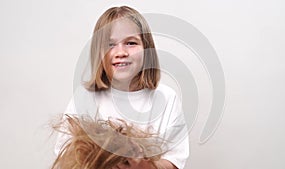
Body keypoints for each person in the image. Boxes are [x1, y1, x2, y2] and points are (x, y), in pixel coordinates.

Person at [55, 5, 189, 169]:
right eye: (110, 44)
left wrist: (143, 165)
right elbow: (65, 156)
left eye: (131, 43)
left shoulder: (167, 98)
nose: (121, 52)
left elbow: (175, 161)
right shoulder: (84, 98)